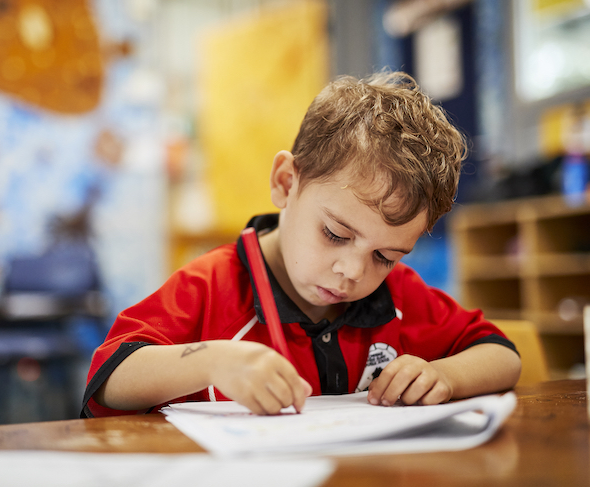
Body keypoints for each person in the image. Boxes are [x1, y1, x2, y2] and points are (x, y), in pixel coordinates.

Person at [81, 71, 522, 418]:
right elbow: (108, 378)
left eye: (384, 257)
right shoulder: (211, 284)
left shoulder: (398, 295)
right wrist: (210, 361)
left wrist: (445, 375)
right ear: (286, 183)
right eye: (335, 234)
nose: (353, 271)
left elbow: (501, 355)